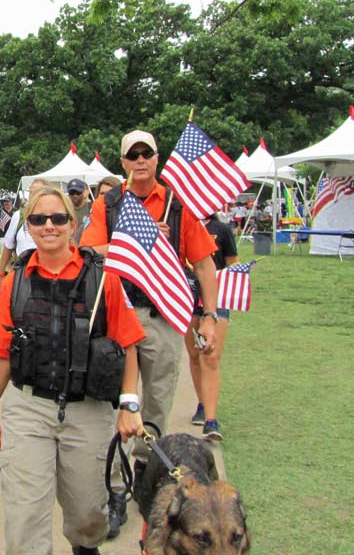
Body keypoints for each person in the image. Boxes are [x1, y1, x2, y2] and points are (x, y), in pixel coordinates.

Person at [0, 184, 145, 555]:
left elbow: (128, 342)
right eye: (38, 219)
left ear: (73, 224)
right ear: (29, 227)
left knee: (88, 515)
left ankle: (85, 546)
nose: (48, 226)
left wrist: (129, 403)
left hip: (88, 409)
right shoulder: (14, 284)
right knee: (24, 519)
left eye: (58, 218)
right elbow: (1, 353)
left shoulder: (103, 279)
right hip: (29, 409)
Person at [79, 129, 218, 529]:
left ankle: (145, 476)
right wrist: (134, 238)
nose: (140, 160)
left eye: (147, 153)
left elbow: (205, 262)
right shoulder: (109, 203)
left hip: (162, 319)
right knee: (113, 403)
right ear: (122, 162)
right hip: (117, 317)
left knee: (156, 404)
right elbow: (89, 251)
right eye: (132, 155)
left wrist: (208, 314)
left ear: (157, 158)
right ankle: (116, 486)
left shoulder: (177, 203)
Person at [185, 212, 238, 441]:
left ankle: (211, 418)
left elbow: (232, 263)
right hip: (187, 295)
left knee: (211, 356)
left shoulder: (222, 229)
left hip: (216, 299)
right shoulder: (182, 224)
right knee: (195, 354)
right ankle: (201, 402)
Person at [0, 178, 49, 278]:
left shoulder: (55, 217)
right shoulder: (19, 216)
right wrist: (1, 273)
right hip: (22, 275)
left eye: (37, 192)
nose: (33, 195)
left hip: (46, 274)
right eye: (31, 192)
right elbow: (8, 246)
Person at [66, 178, 91, 246]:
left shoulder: (92, 208)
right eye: (72, 193)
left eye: (78, 192)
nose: (75, 196)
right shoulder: (65, 211)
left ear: (84, 192)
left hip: (87, 246)